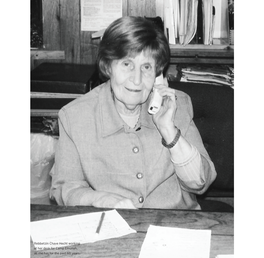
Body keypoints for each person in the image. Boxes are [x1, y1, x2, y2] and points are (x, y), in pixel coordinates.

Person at [50, 16, 216, 209]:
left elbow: (200, 183)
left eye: (146, 67)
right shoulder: (75, 117)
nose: (137, 80)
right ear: (108, 66)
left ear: (157, 73)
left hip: (175, 225)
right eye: (127, 64)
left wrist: (169, 130)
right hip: (112, 226)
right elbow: (64, 189)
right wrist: (100, 199)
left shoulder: (176, 105)